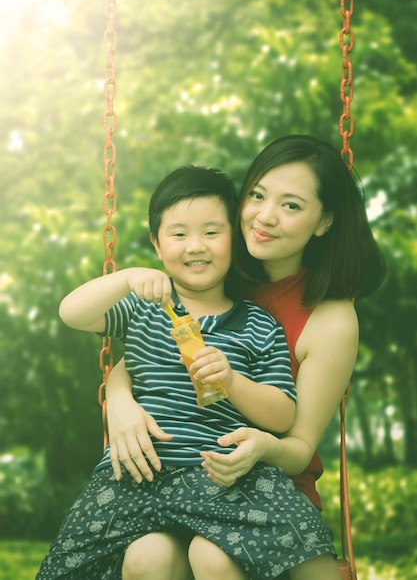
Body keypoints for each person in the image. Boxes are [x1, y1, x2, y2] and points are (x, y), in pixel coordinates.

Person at [37, 163, 339, 580]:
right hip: (139, 474)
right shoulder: (142, 309)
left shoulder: (257, 323)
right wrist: (126, 278)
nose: (196, 246)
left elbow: (283, 415)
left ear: (233, 239)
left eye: (212, 233)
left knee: (301, 538)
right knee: (71, 560)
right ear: (157, 246)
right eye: (179, 234)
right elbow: (71, 313)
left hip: (221, 475)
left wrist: (232, 381)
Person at [103, 134, 386, 580]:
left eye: (291, 206)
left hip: (270, 493)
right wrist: (118, 402)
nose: (264, 216)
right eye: (256, 195)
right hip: (177, 478)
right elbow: (150, 350)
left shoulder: (331, 319)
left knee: (213, 556)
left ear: (324, 221)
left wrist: (263, 446)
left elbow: (297, 450)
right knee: (144, 557)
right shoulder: (216, 271)